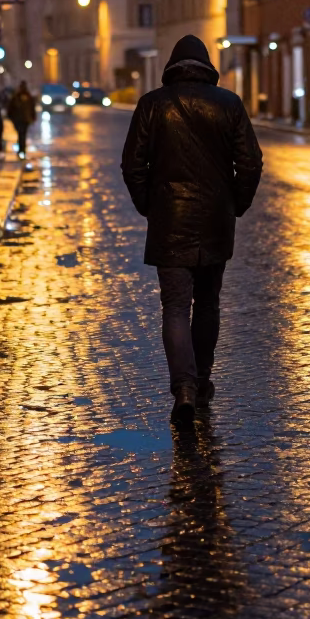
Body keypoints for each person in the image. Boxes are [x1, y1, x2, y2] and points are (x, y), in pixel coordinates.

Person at [121, 34, 263, 425]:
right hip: (216, 220)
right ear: (207, 67)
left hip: (170, 221)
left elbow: (132, 165)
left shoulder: (152, 104)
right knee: (209, 304)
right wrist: (236, 204)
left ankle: (183, 387)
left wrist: (151, 206)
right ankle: (201, 382)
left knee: (176, 306)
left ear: (172, 66)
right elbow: (250, 163)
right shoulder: (229, 104)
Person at [7, 80, 36, 159]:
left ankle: (22, 150)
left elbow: (32, 108)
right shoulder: (20, 97)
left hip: (23, 120)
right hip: (21, 119)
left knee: (22, 135)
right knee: (22, 135)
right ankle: (22, 150)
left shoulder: (24, 96)